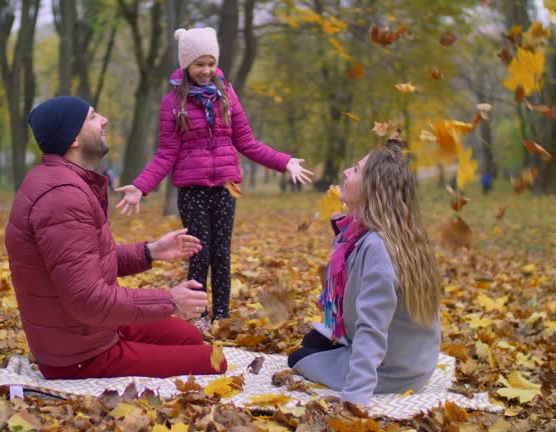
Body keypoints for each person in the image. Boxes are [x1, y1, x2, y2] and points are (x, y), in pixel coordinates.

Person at [4, 95, 227, 379]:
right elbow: (88, 299)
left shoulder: (63, 181)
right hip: (80, 354)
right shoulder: (61, 198)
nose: (104, 120)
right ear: (73, 139)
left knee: (189, 336)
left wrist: (151, 252)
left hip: (92, 328)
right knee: (214, 361)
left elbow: (84, 261)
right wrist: (170, 300)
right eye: (93, 116)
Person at [115, 27, 314, 326]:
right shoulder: (173, 103)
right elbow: (166, 153)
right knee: (200, 251)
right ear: (186, 65)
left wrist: (284, 162)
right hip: (192, 190)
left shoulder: (227, 96)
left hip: (225, 188)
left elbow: (248, 143)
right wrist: (140, 187)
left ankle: (221, 315)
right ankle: (198, 314)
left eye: (211, 63)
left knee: (221, 253)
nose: (206, 70)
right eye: (199, 64)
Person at [288, 138, 442, 406]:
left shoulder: (378, 247)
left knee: (299, 357)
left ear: (373, 190)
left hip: (393, 371)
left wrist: (355, 399)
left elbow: (372, 328)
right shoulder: (388, 234)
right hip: (413, 359)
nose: (347, 171)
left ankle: (353, 369)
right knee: (312, 340)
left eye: (357, 170)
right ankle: (342, 354)